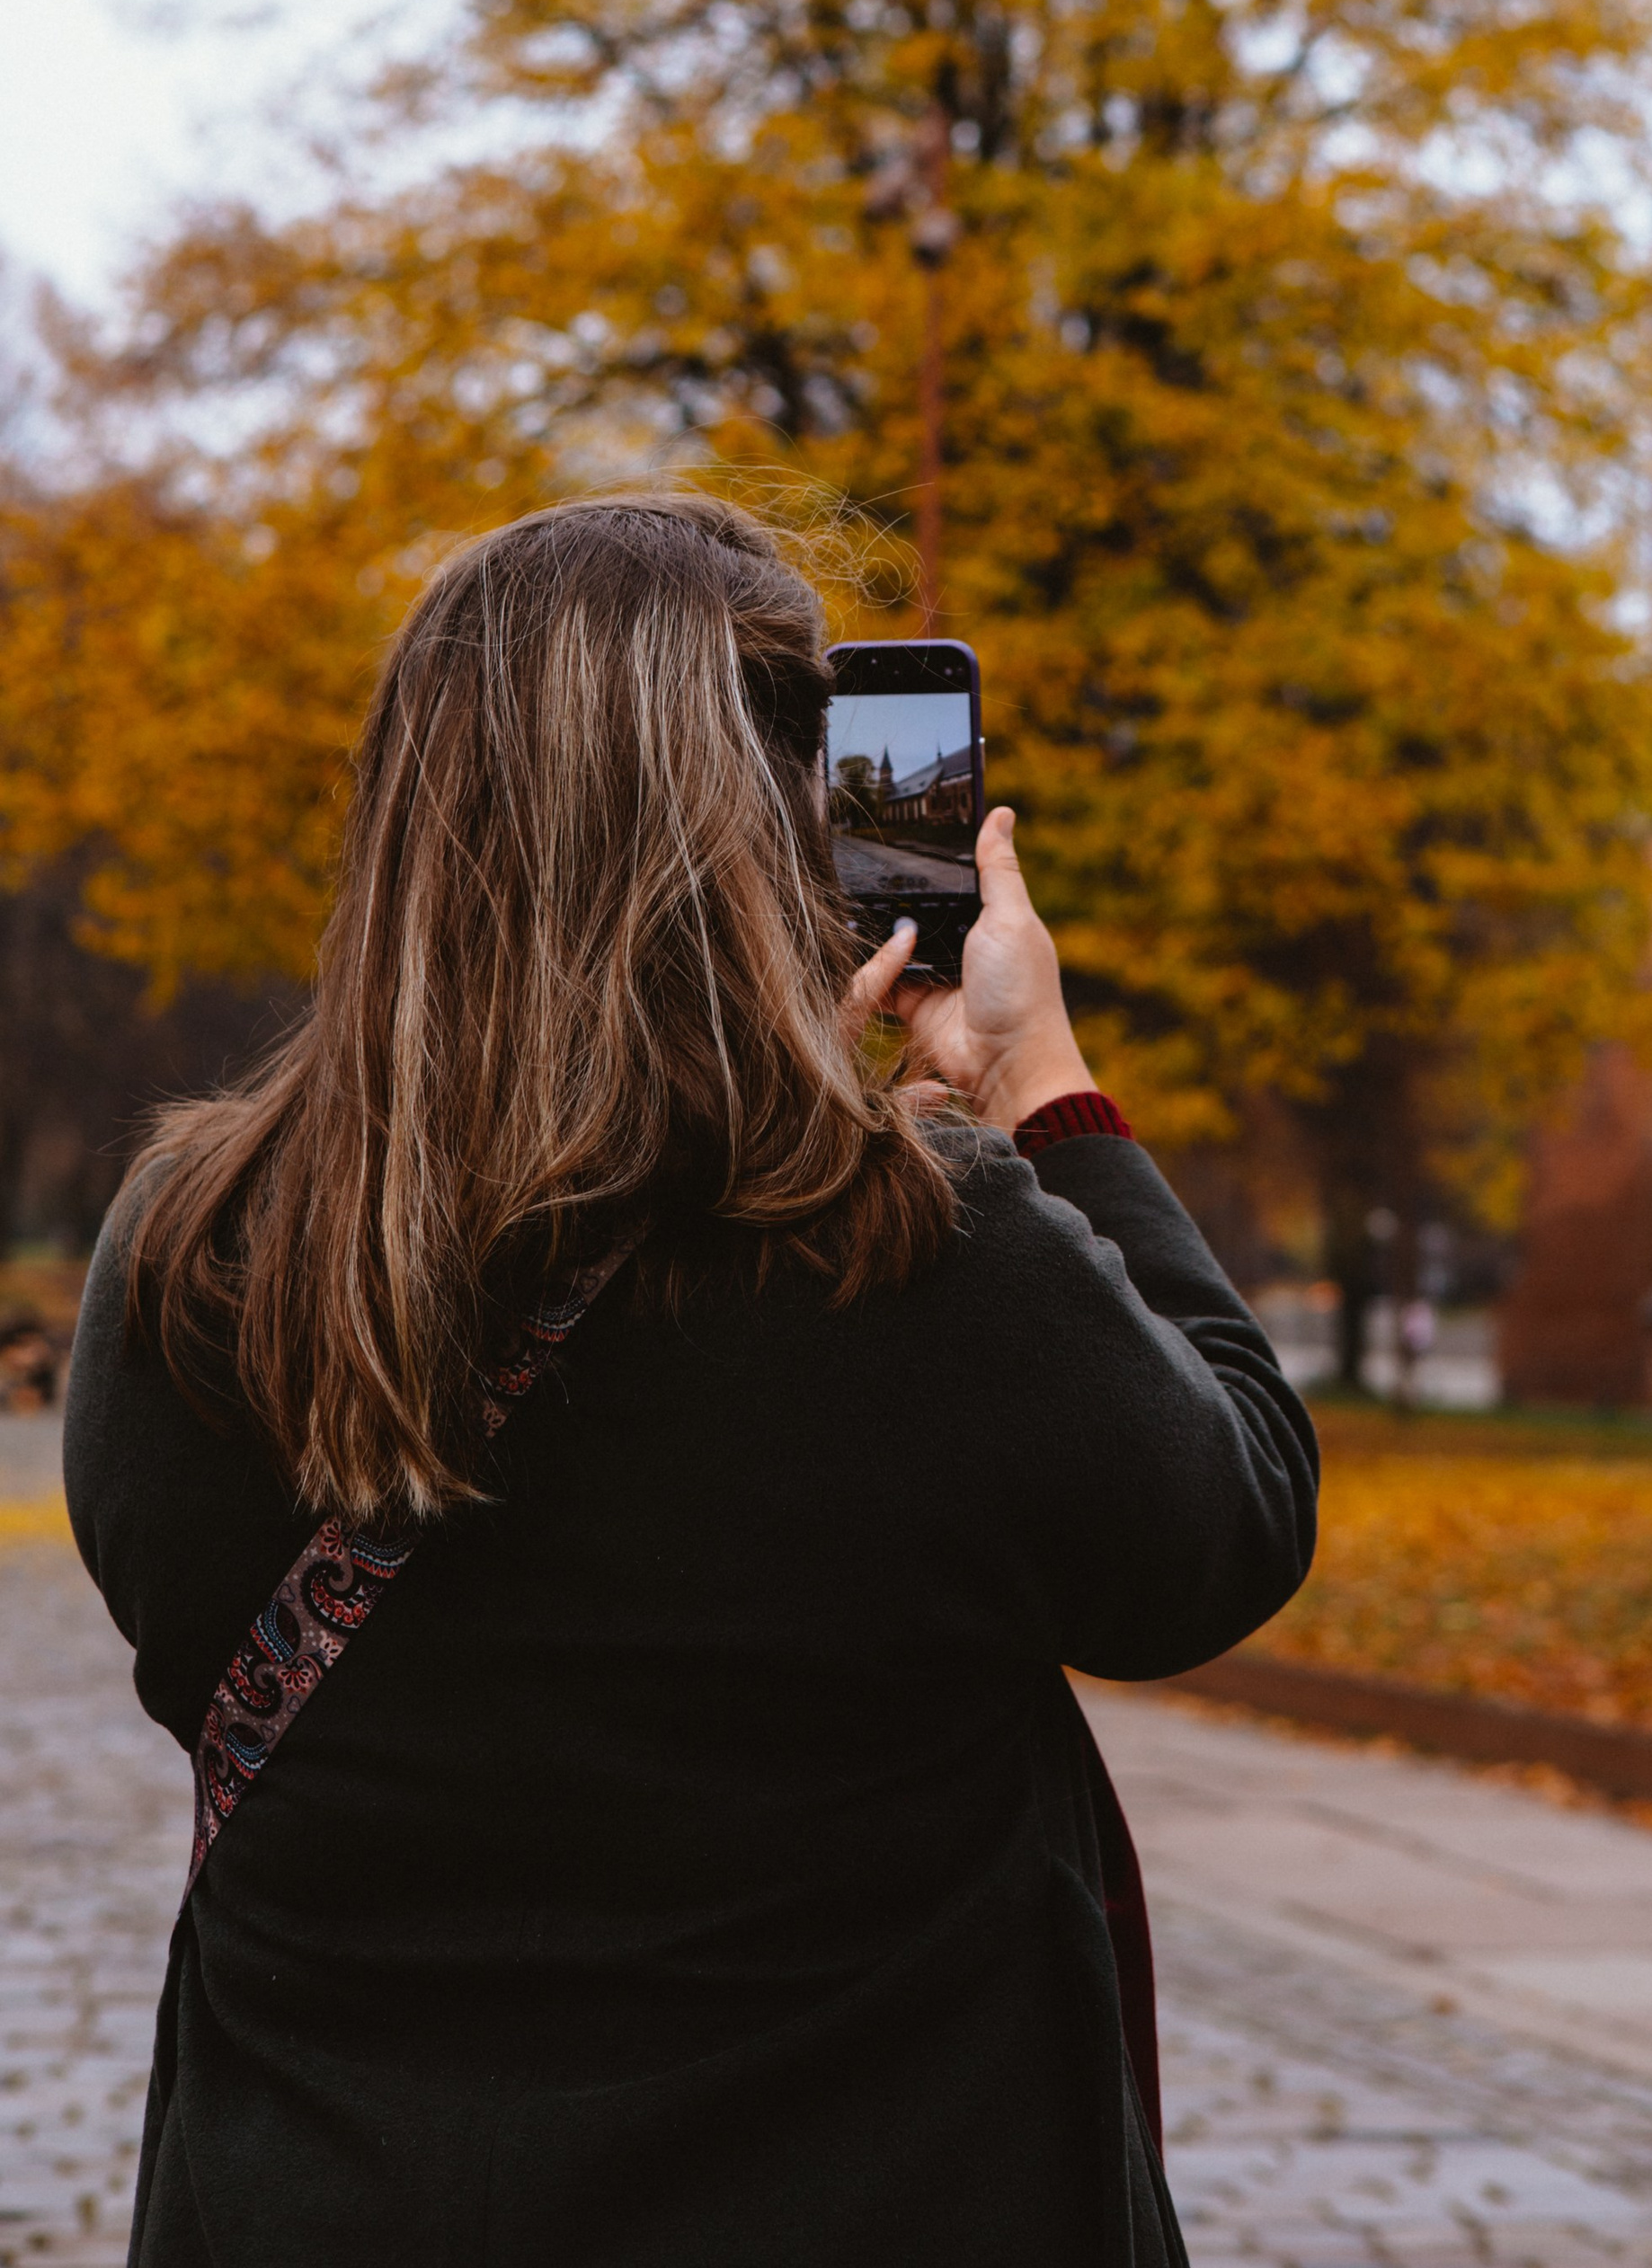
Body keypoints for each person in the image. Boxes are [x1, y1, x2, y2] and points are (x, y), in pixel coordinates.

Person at [65, 492, 1319, 2266]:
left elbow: (182, 1632)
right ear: (780, 829)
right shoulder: (912, 1253)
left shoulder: (187, 1255)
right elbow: (1230, 1521)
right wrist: (1040, 1075)